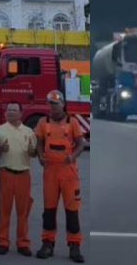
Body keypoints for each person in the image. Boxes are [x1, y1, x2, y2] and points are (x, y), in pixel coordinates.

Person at [35, 90, 86, 263]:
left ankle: (74, 246)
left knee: (72, 210)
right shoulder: (43, 122)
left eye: (56, 104)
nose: (53, 107)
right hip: (50, 171)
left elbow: (81, 144)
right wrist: (40, 155)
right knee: (49, 210)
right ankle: (47, 244)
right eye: (50, 104)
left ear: (63, 104)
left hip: (68, 172)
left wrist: (73, 157)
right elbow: (39, 142)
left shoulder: (73, 122)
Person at [0, 100, 37, 256]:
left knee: (23, 211)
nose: (10, 112)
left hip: (23, 174)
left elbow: (33, 153)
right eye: (8, 110)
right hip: (6, 173)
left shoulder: (29, 132)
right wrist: (0, 148)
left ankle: (23, 243)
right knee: (4, 210)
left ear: (20, 113)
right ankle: (3, 242)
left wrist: (32, 151)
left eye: (14, 110)